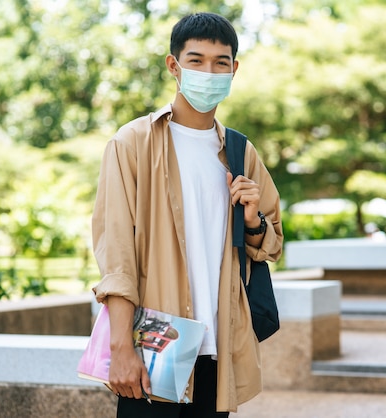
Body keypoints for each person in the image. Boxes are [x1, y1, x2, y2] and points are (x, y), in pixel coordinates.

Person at [91, 12, 283, 418]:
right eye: (196, 60)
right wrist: (120, 348)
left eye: (221, 63)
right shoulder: (133, 143)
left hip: (219, 348)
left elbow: (272, 240)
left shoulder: (240, 151)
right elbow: (118, 255)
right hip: (155, 346)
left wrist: (253, 221)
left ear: (235, 70)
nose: (209, 72)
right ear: (173, 66)